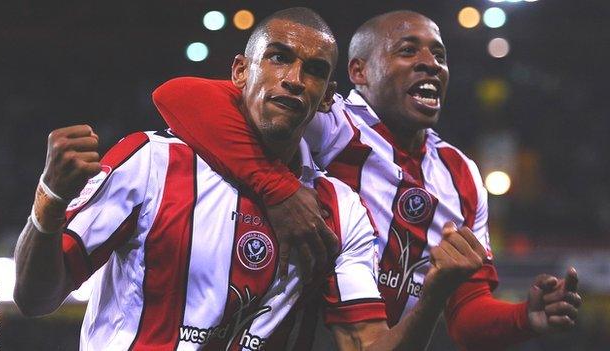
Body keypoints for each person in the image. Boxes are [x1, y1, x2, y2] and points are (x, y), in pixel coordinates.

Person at [13, 8, 489, 351]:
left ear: (328, 99)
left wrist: (436, 292)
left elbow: (367, 347)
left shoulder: (341, 212)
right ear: (240, 72)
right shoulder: (151, 162)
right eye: (278, 59)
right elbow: (34, 299)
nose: (294, 79)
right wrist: (49, 201)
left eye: (315, 71)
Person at [152, 10, 583, 350]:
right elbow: (178, 95)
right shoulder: (331, 121)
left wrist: (524, 318)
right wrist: (279, 190)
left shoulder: (462, 176)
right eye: (408, 51)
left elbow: (467, 319)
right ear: (359, 72)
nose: (430, 64)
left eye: (439, 55)